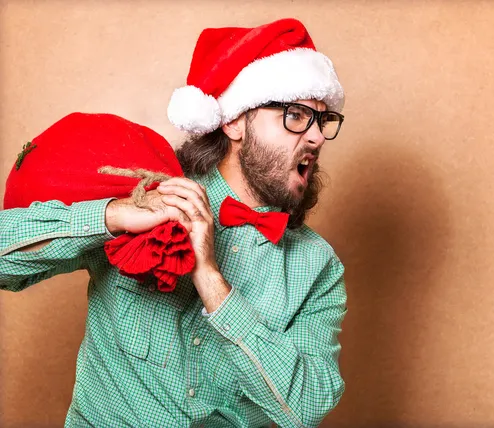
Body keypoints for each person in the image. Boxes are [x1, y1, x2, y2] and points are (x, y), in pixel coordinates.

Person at [0, 17, 347, 428]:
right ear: (234, 121)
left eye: (322, 121)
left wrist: (212, 282)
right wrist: (110, 216)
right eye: (295, 115)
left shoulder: (319, 267)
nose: (317, 138)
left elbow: (307, 406)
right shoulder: (147, 192)